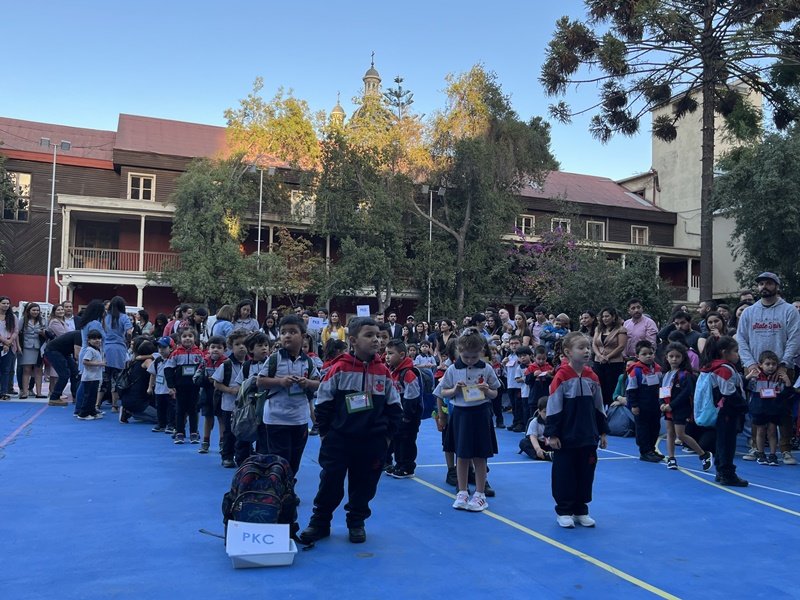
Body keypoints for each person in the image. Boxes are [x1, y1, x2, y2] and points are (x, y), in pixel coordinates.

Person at [298, 317, 402, 545]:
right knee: (330, 482)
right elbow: (323, 403)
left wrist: (386, 438)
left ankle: (356, 521)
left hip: (372, 442)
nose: (376, 340)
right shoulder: (339, 368)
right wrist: (326, 434)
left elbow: (395, 408)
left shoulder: (383, 372)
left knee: (365, 485)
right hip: (339, 440)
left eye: (378, 336)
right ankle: (320, 522)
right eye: (369, 335)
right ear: (353, 340)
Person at [545, 331, 609, 528]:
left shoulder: (593, 377)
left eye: (588, 347)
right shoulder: (561, 376)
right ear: (568, 352)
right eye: (581, 348)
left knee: (586, 473)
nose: (586, 351)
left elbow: (599, 406)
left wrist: (602, 431)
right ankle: (564, 510)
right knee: (564, 473)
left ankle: (581, 509)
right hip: (566, 437)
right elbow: (553, 406)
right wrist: (552, 433)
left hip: (588, 437)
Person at [736, 272, 800, 465]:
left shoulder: (789, 310)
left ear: (777, 286)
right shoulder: (749, 312)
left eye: (769, 283)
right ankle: (757, 448)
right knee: (757, 410)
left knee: (783, 410)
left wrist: (784, 364)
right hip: (755, 369)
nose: (764, 286)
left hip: (782, 368)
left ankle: (785, 450)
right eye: (761, 283)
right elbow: (741, 340)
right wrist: (750, 364)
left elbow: (795, 338)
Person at [436, 331, 500, 512]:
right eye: (466, 357)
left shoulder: (487, 368)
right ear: (459, 351)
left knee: (480, 455)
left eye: (474, 357)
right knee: (462, 455)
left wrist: (487, 390)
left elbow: (495, 393)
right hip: (461, 414)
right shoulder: (452, 369)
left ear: (481, 352)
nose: (470, 360)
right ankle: (462, 492)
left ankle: (480, 494)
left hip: (481, 413)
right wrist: (454, 390)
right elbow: (442, 391)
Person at [258, 315, 320, 477]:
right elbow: (260, 381)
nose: (287, 336)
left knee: (294, 461)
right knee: (279, 460)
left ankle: (289, 486)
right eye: (283, 332)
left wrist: (307, 383)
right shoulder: (274, 359)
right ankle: (279, 487)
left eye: (292, 332)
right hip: (276, 418)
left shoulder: (309, 362)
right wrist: (280, 381)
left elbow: (318, 383)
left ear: (303, 336)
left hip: (299, 419)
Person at [701, 335, 749, 486]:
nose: (737, 355)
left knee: (722, 441)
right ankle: (727, 473)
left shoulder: (718, 366)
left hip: (724, 411)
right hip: (727, 411)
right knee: (727, 443)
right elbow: (728, 392)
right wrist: (743, 405)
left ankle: (721, 471)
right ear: (724, 352)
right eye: (735, 351)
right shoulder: (723, 369)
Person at [660, 342, 712, 470]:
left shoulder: (685, 375)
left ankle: (703, 454)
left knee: (681, 434)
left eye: (677, 356)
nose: (674, 359)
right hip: (667, 408)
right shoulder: (665, 375)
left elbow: (686, 393)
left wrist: (672, 405)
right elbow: (662, 391)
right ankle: (671, 458)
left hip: (680, 408)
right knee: (670, 432)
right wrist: (662, 404)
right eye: (671, 356)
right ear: (666, 357)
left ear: (683, 358)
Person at [746, 350, 793, 466]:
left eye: (773, 364)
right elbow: (745, 388)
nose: (771, 367)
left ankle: (772, 455)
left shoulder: (779, 378)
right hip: (759, 409)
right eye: (767, 364)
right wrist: (749, 377)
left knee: (772, 432)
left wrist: (787, 381)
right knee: (760, 431)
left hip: (774, 409)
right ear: (760, 365)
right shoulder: (756, 378)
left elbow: (786, 394)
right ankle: (760, 453)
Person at [385, 340, 423, 479]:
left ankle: (407, 467)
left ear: (401, 355)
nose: (387, 356)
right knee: (397, 438)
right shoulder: (392, 371)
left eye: (390, 353)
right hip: (398, 413)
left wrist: (406, 416)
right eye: (386, 353)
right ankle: (399, 464)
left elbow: (412, 397)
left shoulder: (408, 373)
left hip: (409, 414)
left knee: (407, 440)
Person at [212, 330, 251, 468]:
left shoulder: (252, 364)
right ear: (230, 347)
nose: (241, 347)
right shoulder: (226, 365)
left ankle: (245, 455)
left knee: (246, 430)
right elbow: (216, 383)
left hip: (247, 406)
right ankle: (227, 456)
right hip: (229, 405)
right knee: (229, 432)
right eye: (237, 344)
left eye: (244, 344)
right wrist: (230, 390)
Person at [164, 327, 205, 445]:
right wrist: (171, 385)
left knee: (193, 410)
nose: (187, 338)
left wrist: (202, 383)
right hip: (180, 387)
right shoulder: (175, 353)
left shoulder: (199, 353)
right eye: (184, 336)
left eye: (190, 336)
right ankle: (180, 432)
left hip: (194, 387)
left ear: (195, 338)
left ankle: (194, 432)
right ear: (180, 339)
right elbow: (168, 369)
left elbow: (204, 368)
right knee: (180, 410)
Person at [626, 340, 664, 462]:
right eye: (644, 354)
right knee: (643, 429)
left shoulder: (658, 369)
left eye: (650, 353)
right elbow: (631, 390)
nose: (648, 356)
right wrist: (634, 405)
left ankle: (652, 449)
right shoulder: (635, 371)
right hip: (641, 406)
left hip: (655, 405)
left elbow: (662, 387)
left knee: (655, 427)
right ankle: (645, 451)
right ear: (637, 356)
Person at [196, 335, 227, 454]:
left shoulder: (227, 362)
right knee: (208, 418)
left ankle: (222, 443)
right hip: (207, 394)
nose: (215, 350)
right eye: (213, 347)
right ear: (208, 348)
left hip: (221, 395)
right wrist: (205, 380)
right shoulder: (204, 361)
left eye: (219, 347)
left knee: (221, 418)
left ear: (224, 349)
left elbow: (229, 379)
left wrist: (217, 381)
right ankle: (205, 442)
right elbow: (196, 377)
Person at [103, 296, 134, 412]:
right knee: (117, 378)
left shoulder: (105, 317)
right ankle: (114, 405)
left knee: (105, 377)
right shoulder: (124, 317)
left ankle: (97, 403)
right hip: (119, 348)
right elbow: (129, 332)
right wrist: (128, 341)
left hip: (106, 348)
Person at [592, 307, 628, 406]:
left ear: (613, 317)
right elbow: (594, 344)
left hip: (614, 363)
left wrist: (608, 357)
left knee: (611, 387)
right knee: (599, 386)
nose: (604, 318)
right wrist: (599, 355)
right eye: (603, 316)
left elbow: (621, 346)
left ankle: (611, 409)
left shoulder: (621, 329)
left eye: (607, 316)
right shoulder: (598, 329)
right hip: (598, 362)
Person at [118, 340, 157, 424]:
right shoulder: (147, 361)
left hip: (130, 397)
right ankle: (130, 412)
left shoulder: (133, 361)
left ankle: (132, 411)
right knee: (162, 418)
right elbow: (154, 371)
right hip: (137, 401)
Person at [44, 329, 81, 407]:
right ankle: (54, 397)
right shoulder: (79, 335)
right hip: (53, 350)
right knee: (64, 374)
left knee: (75, 372)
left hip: (63, 352)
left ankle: (76, 396)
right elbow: (77, 355)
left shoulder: (80, 334)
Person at [19, 302, 47, 399]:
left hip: (39, 347)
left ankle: (39, 393)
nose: (36, 312)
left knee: (38, 370)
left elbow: (48, 334)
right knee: (26, 370)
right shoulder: (23, 320)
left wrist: (43, 333)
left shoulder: (43, 320)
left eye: (37, 310)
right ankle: (25, 392)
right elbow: (18, 333)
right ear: (29, 311)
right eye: (34, 310)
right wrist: (19, 347)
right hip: (26, 347)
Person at [147, 337, 176, 434]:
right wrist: (150, 387)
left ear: (171, 348)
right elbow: (153, 374)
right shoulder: (157, 361)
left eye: (164, 347)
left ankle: (171, 425)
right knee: (160, 407)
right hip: (159, 389)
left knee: (171, 408)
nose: (161, 350)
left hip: (170, 390)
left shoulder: (173, 360)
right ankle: (161, 424)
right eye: (159, 347)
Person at [77, 330, 105, 420]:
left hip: (95, 377)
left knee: (93, 396)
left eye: (99, 338)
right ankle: (83, 414)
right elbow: (85, 361)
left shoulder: (97, 350)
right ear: (88, 340)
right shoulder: (90, 350)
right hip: (89, 378)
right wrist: (99, 363)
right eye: (94, 339)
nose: (97, 340)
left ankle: (92, 411)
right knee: (88, 396)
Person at [519, 396, 553, 461]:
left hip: (552, 443)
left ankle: (552, 454)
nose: (547, 414)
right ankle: (544, 455)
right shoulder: (535, 422)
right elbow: (533, 437)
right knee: (524, 442)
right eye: (545, 412)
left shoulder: (555, 421)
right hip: (539, 443)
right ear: (539, 411)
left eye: (550, 411)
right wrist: (538, 449)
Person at [502, 336, 524, 432]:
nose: (514, 345)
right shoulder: (509, 356)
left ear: (521, 344)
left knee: (519, 405)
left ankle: (521, 423)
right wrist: (503, 364)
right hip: (510, 384)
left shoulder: (522, 356)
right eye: (511, 344)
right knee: (514, 405)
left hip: (519, 385)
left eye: (516, 343)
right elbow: (506, 372)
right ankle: (515, 422)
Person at [0, 296, 18, 400]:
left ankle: (3, 392)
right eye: (3, 303)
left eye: (7, 303)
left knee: (6, 370)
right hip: (3, 342)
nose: (6, 305)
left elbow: (15, 331)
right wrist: (4, 341)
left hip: (8, 346)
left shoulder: (13, 317)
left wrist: (9, 342)